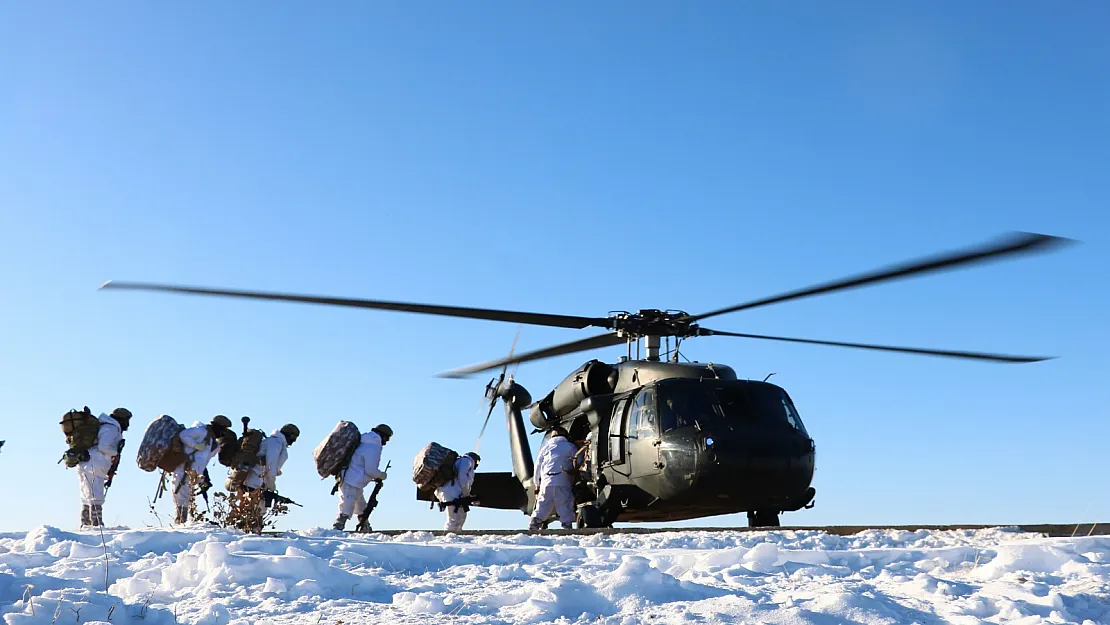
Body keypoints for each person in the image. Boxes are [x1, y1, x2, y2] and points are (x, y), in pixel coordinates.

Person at [171, 415, 233, 524]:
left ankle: (183, 524)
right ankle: (179, 524)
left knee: (186, 499)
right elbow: (183, 435)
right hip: (182, 470)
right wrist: (196, 445)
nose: (224, 432)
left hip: (193, 474)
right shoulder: (201, 431)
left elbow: (202, 462)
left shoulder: (213, 443)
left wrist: (204, 478)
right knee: (180, 499)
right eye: (223, 429)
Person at [77, 407, 131, 527]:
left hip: (86, 461)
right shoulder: (111, 428)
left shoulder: (105, 426)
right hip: (95, 462)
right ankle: (96, 524)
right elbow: (104, 446)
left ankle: (86, 523)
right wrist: (115, 453)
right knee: (96, 495)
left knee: (87, 495)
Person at [332, 423, 392, 530]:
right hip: (351, 481)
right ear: (383, 436)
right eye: (387, 439)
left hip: (353, 481)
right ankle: (336, 531)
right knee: (346, 508)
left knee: (361, 508)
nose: (386, 442)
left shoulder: (363, 441)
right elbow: (371, 470)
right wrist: (382, 475)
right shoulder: (373, 446)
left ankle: (365, 528)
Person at [528, 427, 579, 531]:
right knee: (564, 504)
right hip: (563, 481)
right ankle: (566, 526)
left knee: (542, 505)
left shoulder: (545, 448)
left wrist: (537, 483)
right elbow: (579, 460)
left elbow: (537, 466)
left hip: (546, 483)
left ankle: (534, 524)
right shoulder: (570, 447)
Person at [244, 424, 299, 512]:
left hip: (256, 481)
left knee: (252, 513)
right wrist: (271, 486)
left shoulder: (275, 442)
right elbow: (270, 466)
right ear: (289, 435)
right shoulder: (276, 443)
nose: (293, 441)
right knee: (254, 514)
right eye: (294, 438)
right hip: (256, 482)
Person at [434, 451, 480, 531]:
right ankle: (449, 537)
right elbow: (463, 478)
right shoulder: (467, 461)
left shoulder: (459, 461)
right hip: (451, 493)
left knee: (460, 516)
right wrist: (466, 494)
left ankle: (455, 535)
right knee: (453, 518)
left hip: (448, 492)